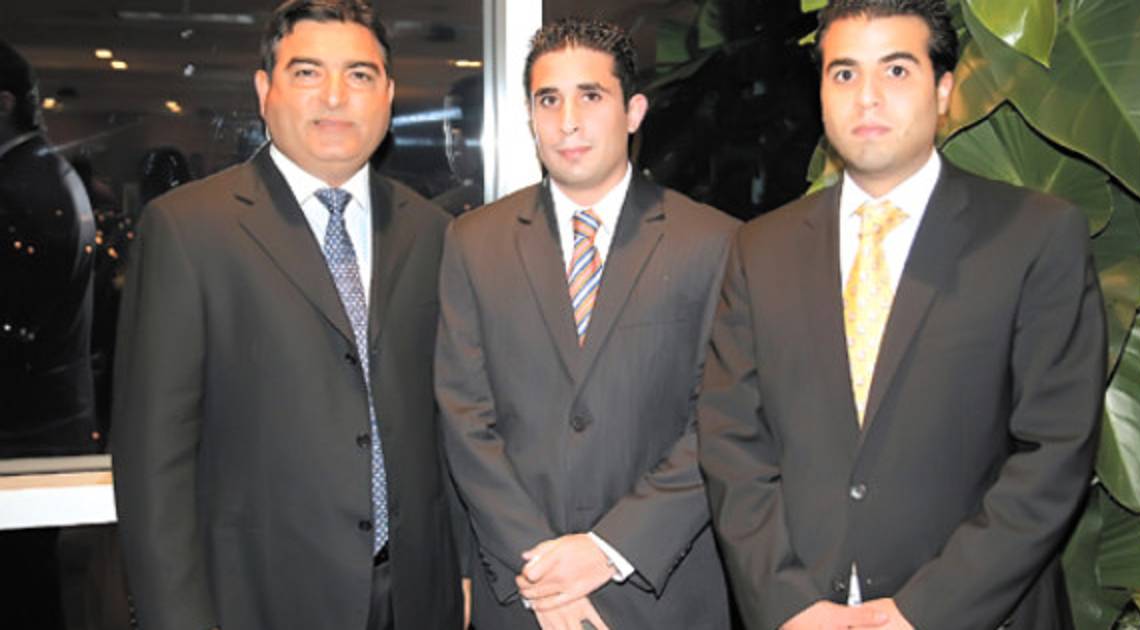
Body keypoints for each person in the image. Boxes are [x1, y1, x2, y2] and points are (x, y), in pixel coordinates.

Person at [697, 1, 1106, 629]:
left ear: (943, 90)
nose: (867, 97)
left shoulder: (1034, 235)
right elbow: (732, 442)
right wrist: (789, 605)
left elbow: (1055, 451)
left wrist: (924, 612)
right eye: (844, 73)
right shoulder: (760, 249)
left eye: (895, 70)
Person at [109, 2, 464, 629]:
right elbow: (153, 463)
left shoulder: (433, 232)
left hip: (415, 597)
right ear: (264, 89)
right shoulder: (189, 231)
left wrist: (463, 579)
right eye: (307, 73)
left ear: (388, 96)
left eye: (359, 75)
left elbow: (451, 427)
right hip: (256, 600)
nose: (335, 96)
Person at [437, 17, 737, 630]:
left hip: (660, 592)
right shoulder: (473, 242)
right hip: (522, 594)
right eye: (548, 100)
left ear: (634, 112)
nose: (567, 121)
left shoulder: (715, 243)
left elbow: (720, 421)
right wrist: (546, 576)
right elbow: (464, 420)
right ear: (530, 116)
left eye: (591, 96)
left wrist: (606, 551)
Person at [0, 38, 97, 458]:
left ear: (4, 103)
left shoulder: (17, 188)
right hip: (47, 419)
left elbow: (14, 321)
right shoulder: (46, 171)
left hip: (22, 429)